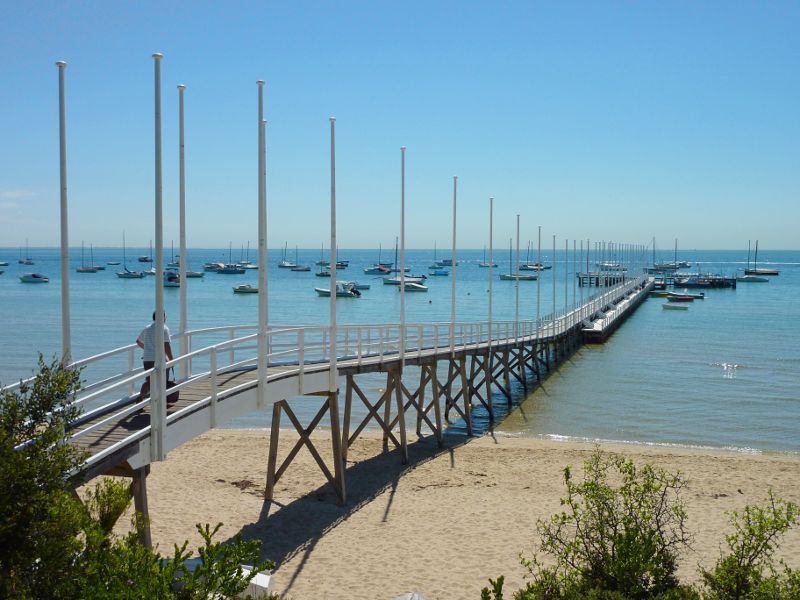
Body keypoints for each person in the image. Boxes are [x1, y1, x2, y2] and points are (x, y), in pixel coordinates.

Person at [136, 312, 173, 397]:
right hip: (159, 359)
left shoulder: (147, 328)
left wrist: (148, 349)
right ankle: (163, 401)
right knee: (162, 380)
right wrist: (171, 359)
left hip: (147, 358)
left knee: (150, 381)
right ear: (163, 317)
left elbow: (138, 341)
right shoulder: (164, 328)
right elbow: (166, 345)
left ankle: (141, 397)